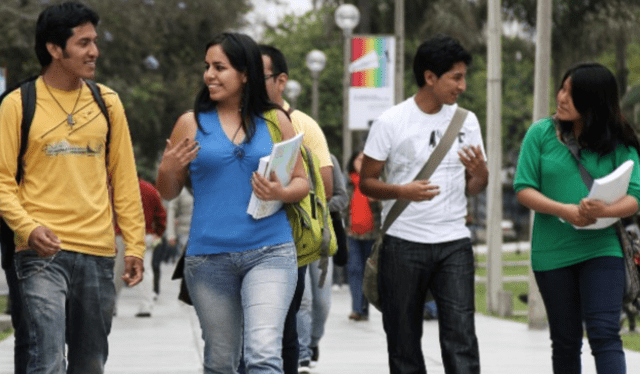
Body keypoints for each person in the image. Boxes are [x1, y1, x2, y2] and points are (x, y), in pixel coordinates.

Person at [0, 2, 145, 373]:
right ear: (54, 48)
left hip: (98, 253)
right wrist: (28, 228)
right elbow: (1, 180)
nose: (94, 51)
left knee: (90, 364)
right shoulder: (17, 105)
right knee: (45, 360)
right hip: (40, 254)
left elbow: (124, 178)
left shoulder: (107, 103)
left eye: (94, 41)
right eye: (83, 43)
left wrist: (135, 245)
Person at [156, 32, 308, 374]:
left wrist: (279, 193)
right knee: (221, 362)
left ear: (244, 73)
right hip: (208, 258)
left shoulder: (276, 120)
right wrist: (167, 168)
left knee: (264, 355)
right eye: (207, 67)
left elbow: (302, 182)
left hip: (270, 251)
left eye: (219, 67)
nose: (209, 74)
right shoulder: (190, 123)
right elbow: (168, 191)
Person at [360, 34, 487, 374]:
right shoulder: (391, 121)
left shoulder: (467, 121)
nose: (462, 85)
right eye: (455, 77)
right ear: (430, 77)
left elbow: (475, 187)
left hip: (454, 243)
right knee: (403, 342)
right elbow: (366, 181)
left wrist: (480, 172)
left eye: (463, 76)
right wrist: (402, 191)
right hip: (403, 243)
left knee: (461, 339)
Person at [513, 62, 640, 374]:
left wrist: (605, 211)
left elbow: (635, 197)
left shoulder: (619, 141)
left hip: (602, 249)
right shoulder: (540, 133)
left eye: (572, 93)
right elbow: (523, 188)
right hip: (552, 253)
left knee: (605, 334)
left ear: (594, 100)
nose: (562, 97)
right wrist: (564, 210)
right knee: (566, 341)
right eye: (562, 88)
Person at [259, 44, 334, 374]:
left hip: (290, 241)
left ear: (281, 81)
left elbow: (326, 189)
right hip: (239, 241)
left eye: (259, 76)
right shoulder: (231, 120)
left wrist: (284, 191)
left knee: (290, 320)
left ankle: (304, 351)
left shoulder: (302, 124)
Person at [297, 153, 349, 372]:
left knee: (322, 303)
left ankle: (313, 341)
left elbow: (342, 198)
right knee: (304, 300)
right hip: (295, 238)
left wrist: (318, 207)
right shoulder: (286, 155)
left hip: (322, 240)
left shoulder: (327, 158)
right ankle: (303, 352)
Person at [114, 178, 166, 317]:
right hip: (145, 235)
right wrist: (158, 233)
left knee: (118, 271)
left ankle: (111, 306)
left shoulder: (118, 189)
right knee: (146, 270)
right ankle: (146, 306)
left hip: (122, 234)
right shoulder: (150, 189)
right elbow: (161, 214)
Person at [345, 150, 381, 322]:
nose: (361, 162)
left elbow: (382, 203)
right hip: (352, 233)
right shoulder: (348, 183)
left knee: (369, 273)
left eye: (365, 160)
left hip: (372, 235)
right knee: (354, 270)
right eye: (358, 159)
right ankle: (357, 308)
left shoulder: (375, 182)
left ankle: (365, 308)